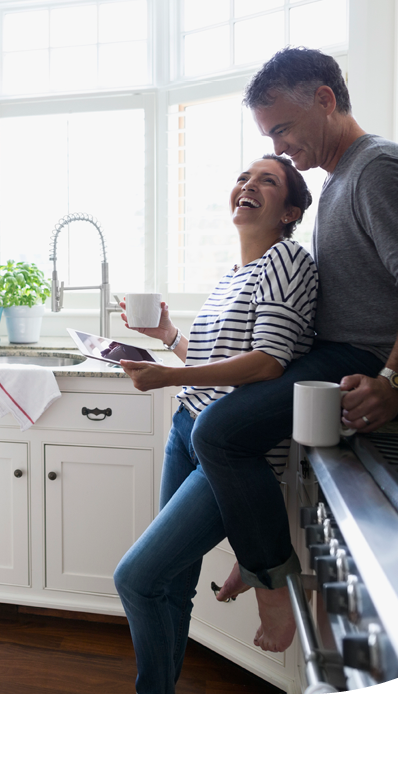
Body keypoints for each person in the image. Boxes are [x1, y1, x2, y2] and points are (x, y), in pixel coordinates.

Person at [190, 47, 398, 654]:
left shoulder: (380, 169)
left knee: (218, 432)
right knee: (225, 430)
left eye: (282, 129)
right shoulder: (343, 179)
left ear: (325, 98)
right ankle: (260, 558)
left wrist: (394, 382)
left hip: (371, 362)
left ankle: (273, 589)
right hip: (346, 357)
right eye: (269, 135)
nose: (280, 147)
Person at [113, 153, 317, 693]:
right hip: (189, 429)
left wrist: (166, 376)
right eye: (242, 178)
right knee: (171, 579)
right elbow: (218, 359)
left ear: (291, 210)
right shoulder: (237, 274)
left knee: (136, 578)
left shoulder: (288, 262)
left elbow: (268, 362)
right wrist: (169, 337)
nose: (247, 186)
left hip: (229, 452)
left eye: (266, 181)